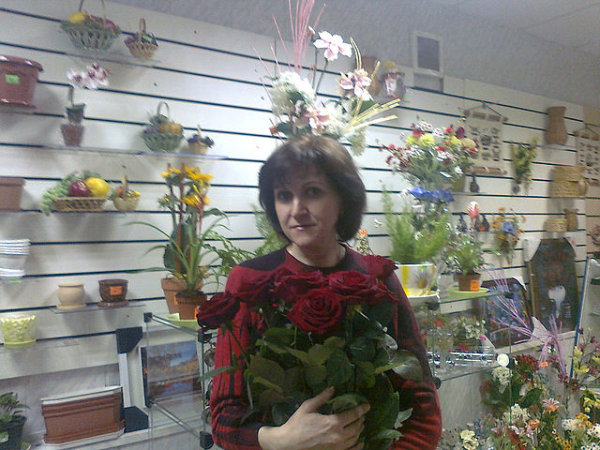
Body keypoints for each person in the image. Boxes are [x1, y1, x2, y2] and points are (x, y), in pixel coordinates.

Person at [210, 135, 442, 449]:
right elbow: (224, 417)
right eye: (284, 195)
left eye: (313, 192)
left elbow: (424, 408)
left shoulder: (377, 278)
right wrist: (280, 439)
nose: (297, 210)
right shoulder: (251, 280)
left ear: (343, 199)